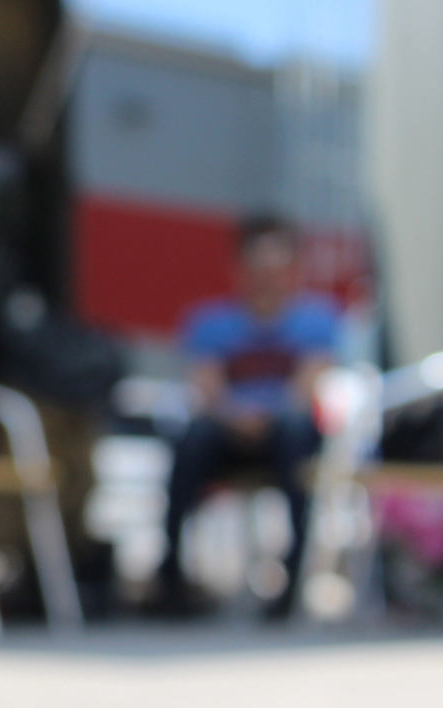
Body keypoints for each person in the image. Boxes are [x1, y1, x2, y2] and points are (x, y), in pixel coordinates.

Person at [157, 214, 337, 618]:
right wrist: (236, 416)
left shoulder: (317, 318)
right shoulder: (209, 321)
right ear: (240, 268)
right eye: (259, 265)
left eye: (278, 266)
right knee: (190, 437)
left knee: (295, 430)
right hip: (225, 434)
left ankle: (293, 577)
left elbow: (307, 386)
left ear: (293, 268)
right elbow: (205, 385)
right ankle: (170, 577)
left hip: (285, 439)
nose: (268, 277)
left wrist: (264, 416)